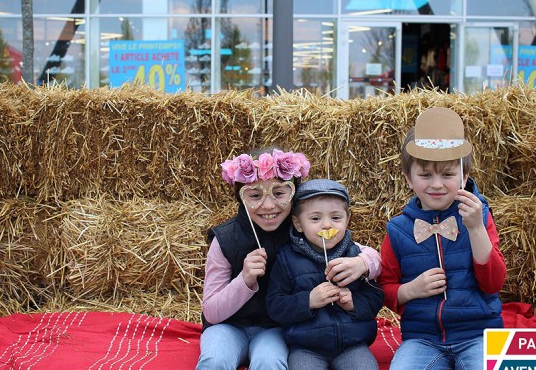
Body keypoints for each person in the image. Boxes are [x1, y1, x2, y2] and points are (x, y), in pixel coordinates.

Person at [196, 148, 381, 370]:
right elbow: (212, 313)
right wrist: (244, 280)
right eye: (255, 195)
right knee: (215, 361)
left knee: (270, 362)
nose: (267, 205)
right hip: (226, 327)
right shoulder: (225, 239)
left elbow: (367, 255)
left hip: (274, 329)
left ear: (293, 195)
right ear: (242, 198)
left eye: (279, 193)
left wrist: (362, 263)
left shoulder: (305, 231)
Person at [378, 107, 506, 369]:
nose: (436, 184)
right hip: (422, 339)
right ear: (408, 178)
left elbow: (493, 284)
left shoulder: (479, 217)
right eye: (425, 175)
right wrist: (411, 290)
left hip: (478, 335)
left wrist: (475, 229)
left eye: (448, 174)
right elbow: (384, 288)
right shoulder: (398, 230)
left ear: (464, 176)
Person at [266, 179, 383, 370]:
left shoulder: (355, 257)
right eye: (315, 219)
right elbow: (275, 306)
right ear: (298, 223)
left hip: (352, 344)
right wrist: (308, 300)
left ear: (347, 219)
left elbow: (376, 296)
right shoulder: (287, 259)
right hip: (305, 347)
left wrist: (353, 302)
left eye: (336, 218)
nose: (327, 225)